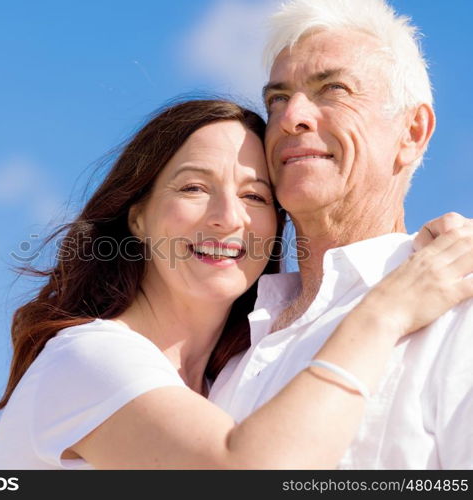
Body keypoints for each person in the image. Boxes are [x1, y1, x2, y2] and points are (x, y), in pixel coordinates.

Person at [0, 98, 473, 469]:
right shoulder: (90, 357)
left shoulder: (228, 383)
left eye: (254, 197)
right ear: (137, 218)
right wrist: (385, 312)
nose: (228, 218)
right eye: (194, 187)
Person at [208, 0, 473, 469]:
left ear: (412, 132)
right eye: (277, 98)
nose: (292, 117)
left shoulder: (460, 310)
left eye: (333, 88)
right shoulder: (226, 355)